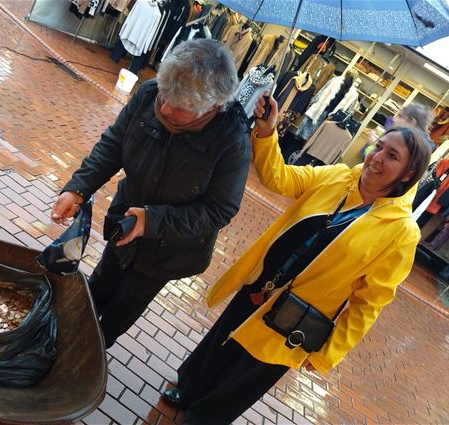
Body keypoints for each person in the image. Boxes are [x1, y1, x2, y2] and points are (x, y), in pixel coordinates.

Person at [161, 92, 431, 424]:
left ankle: (203, 418)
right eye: (379, 147)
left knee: (248, 374)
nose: (377, 159)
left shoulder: (401, 233)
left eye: (392, 156)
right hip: (263, 283)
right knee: (222, 340)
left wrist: (327, 354)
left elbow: (369, 304)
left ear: (408, 174)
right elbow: (280, 177)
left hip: (295, 317)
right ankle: (188, 388)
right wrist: (267, 131)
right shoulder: (338, 177)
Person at [50, 39, 251, 348]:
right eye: (165, 94)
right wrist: (78, 188)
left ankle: (88, 354)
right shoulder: (148, 95)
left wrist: (152, 221)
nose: (166, 108)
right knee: (98, 285)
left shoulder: (232, 140)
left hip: (171, 250)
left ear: (212, 106)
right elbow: (114, 144)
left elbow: (220, 209)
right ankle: (64, 337)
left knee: (122, 309)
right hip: (125, 223)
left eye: (180, 107)